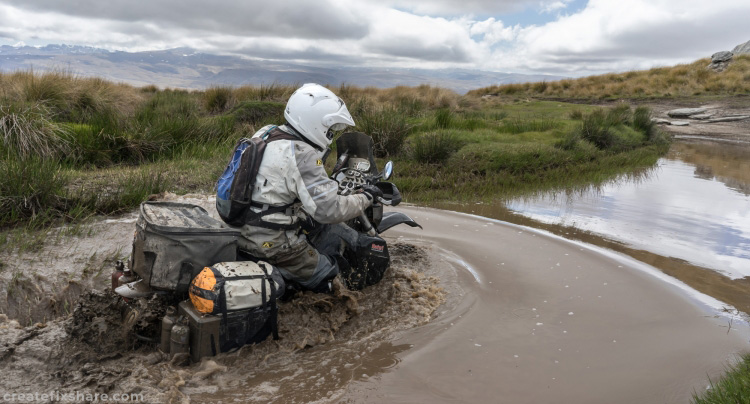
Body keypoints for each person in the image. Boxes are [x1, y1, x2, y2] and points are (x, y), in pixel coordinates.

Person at [236, 83, 382, 293]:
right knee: (331, 277)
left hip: (240, 228)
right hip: (271, 243)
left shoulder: (266, 133)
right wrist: (365, 198)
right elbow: (328, 210)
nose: (330, 134)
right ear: (315, 122)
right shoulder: (302, 154)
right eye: (330, 129)